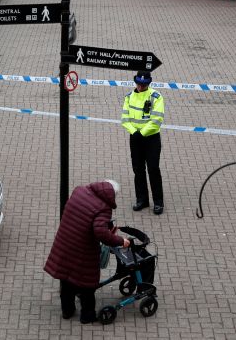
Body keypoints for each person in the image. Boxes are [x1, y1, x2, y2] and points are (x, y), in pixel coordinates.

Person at [44, 180, 130, 323]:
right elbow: (100, 233)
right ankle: (87, 316)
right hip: (83, 250)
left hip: (65, 243)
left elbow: (84, 217)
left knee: (66, 279)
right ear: (112, 194)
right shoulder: (104, 208)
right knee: (87, 285)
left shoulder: (79, 191)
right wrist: (121, 241)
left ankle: (67, 311)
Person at [121, 71, 165, 214]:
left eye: (144, 84)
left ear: (148, 84)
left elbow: (156, 120)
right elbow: (125, 119)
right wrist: (134, 132)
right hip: (135, 138)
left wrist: (142, 133)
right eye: (139, 83)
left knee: (153, 169)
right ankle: (142, 200)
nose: (140, 86)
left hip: (151, 139)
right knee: (138, 170)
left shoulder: (156, 97)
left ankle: (158, 202)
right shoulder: (129, 97)